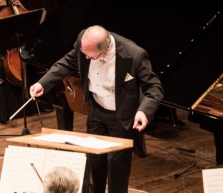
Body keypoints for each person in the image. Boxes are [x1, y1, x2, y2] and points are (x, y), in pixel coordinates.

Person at [30, 25, 164, 193]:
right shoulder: (84, 43)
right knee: (95, 163)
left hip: (121, 117)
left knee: (117, 168)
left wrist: (144, 111)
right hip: (97, 112)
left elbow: (154, 88)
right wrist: (43, 83)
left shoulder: (134, 55)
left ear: (106, 50)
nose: (84, 56)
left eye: (89, 55)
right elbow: (66, 62)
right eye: (83, 52)